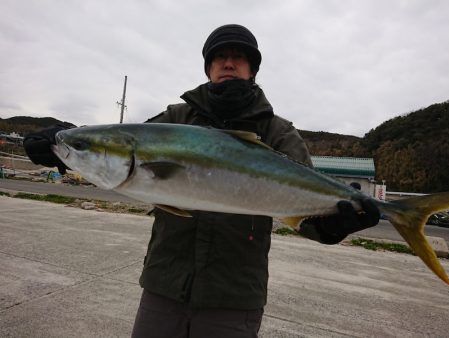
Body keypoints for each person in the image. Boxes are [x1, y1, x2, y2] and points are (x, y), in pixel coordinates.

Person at [23, 24, 380, 338]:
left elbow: (305, 215)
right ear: (208, 67)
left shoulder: (278, 133)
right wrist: (59, 144)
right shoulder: (174, 119)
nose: (228, 63)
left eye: (239, 57)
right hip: (164, 287)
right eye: (220, 57)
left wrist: (334, 225)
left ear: (252, 70)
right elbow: (112, 147)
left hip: (234, 297)